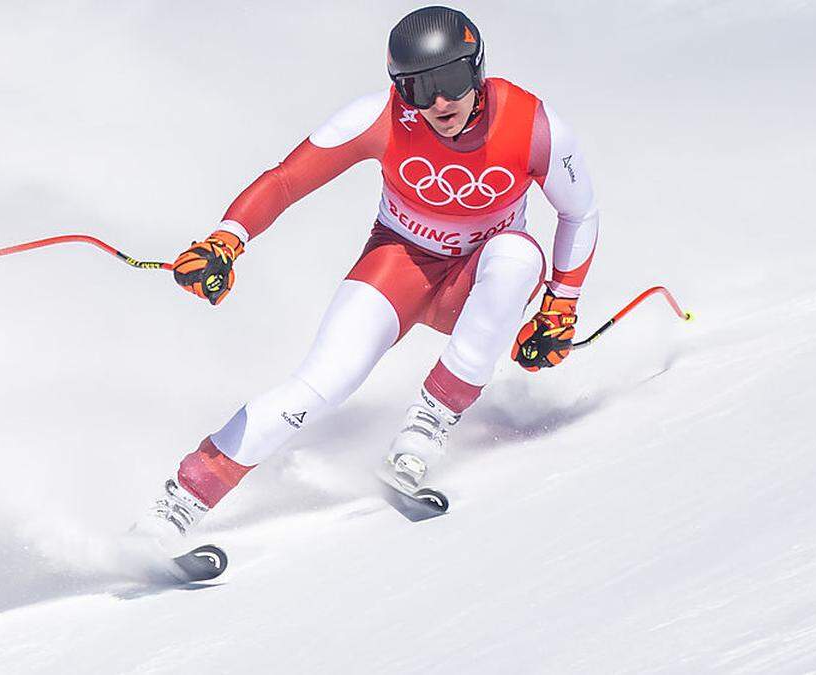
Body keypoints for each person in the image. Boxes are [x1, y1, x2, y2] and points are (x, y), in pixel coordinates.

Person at [134, 6, 598, 542]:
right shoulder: (379, 117)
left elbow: (579, 211)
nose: (439, 103)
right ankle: (174, 510)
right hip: (397, 266)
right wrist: (226, 240)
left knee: (518, 254)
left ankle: (424, 433)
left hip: (477, 281)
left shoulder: (534, 124)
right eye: (417, 88)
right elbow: (286, 180)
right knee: (318, 384)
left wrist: (560, 305)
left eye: (450, 80)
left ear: (477, 69)